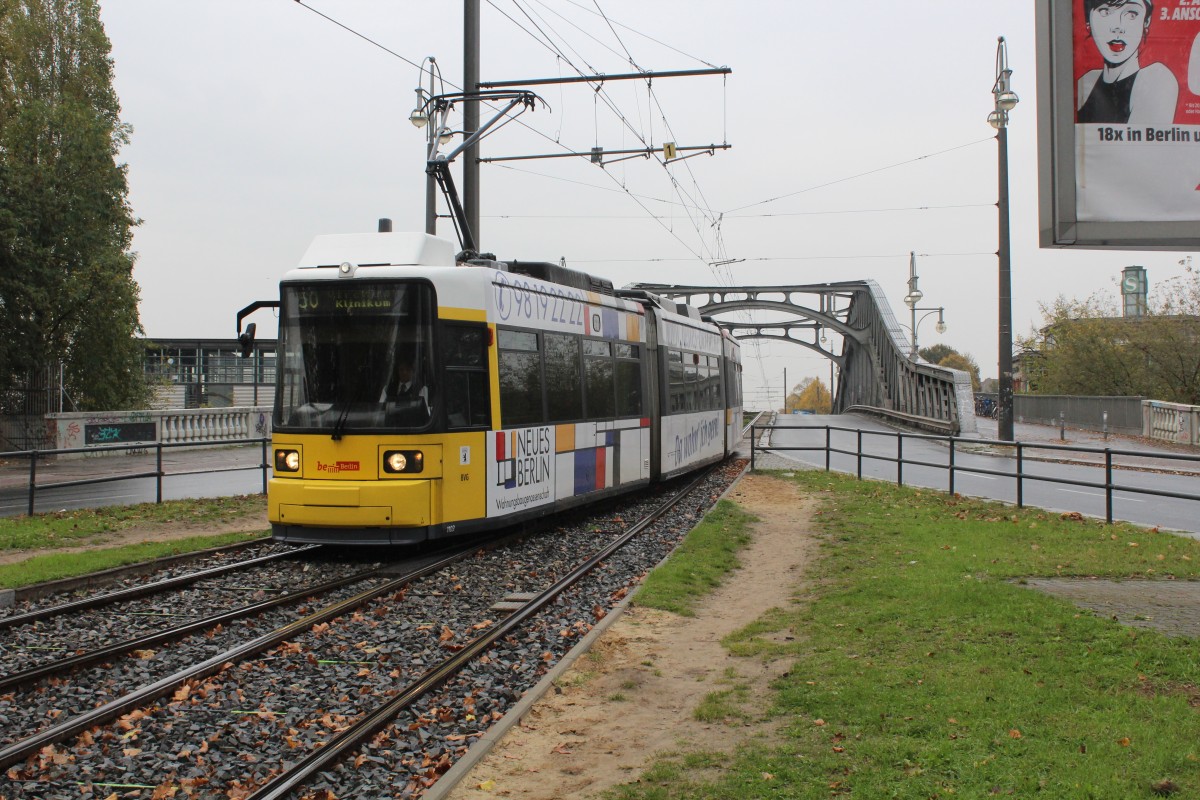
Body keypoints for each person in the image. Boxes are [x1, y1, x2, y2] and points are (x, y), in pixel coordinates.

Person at [1077, 0, 1179, 123]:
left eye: (1132, 14)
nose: (1117, 27)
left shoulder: (1157, 79)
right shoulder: (1087, 81)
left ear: (1146, 22)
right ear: (1088, 22)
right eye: (1105, 12)